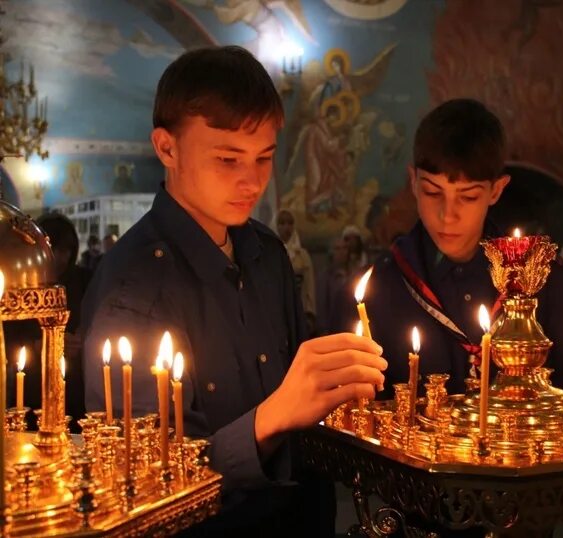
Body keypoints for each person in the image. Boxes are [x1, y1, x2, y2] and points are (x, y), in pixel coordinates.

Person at [80, 46, 386, 536]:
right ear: (167, 148)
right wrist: (272, 418)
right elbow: (140, 482)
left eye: (264, 157)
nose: (252, 181)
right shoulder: (135, 289)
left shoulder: (266, 252)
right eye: (227, 158)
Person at [335, 98, 563, 398]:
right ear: (413, 182)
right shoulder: (376, 289)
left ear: (496, 190)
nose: (447, 214)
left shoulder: (544, 282)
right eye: (432, 191)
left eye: (467, 197)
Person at [4, 212, 91, 430]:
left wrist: (81, 338)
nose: (61, 257)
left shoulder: (82, 279)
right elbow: (9, 335)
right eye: (55, 249)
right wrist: (43, 346)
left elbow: (93, 316)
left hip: (75, 383)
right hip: (32, 381)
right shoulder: (22, 281)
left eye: (67, 251)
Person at [273, 209, 316, 334]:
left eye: (290, 223)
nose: (287, 227)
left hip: (299, 309)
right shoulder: (269, 254)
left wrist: (310, 312)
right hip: (276, 310)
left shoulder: (302, 255)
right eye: (282, 223)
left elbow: (309, 285)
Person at [316, 236, 351, 335]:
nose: (342, 252)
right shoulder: (325, 277)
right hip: (333, 330)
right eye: (338, 248)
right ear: (331, 252)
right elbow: (322, 306)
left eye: (344, 248)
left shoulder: (353, 274)